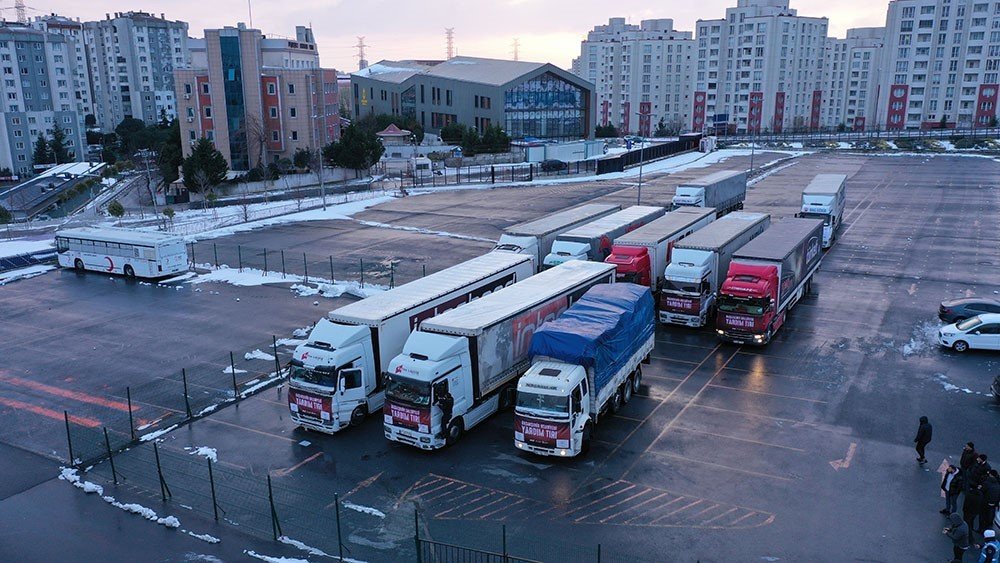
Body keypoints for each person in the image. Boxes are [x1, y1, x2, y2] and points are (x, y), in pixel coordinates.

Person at [981, 470, 1000, 535]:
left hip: (986, 502)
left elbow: (982, 491)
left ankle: (982, 529)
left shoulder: (987, 483)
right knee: (990, 516)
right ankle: (989, 527)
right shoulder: (998, 484)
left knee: (983, 516)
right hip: (994, 504)